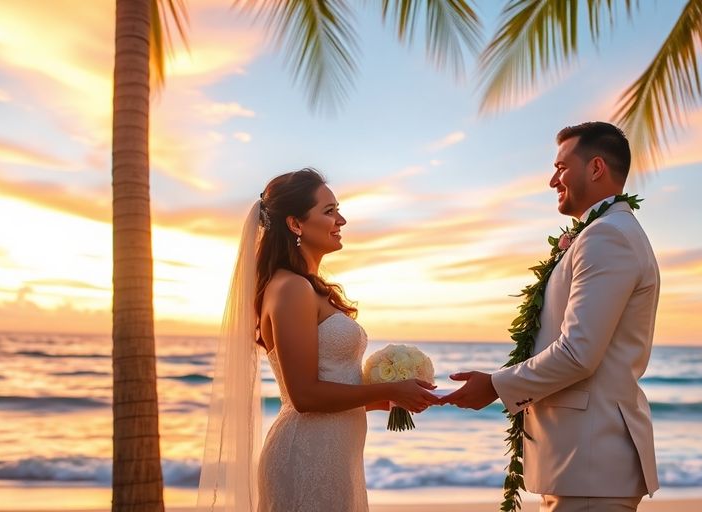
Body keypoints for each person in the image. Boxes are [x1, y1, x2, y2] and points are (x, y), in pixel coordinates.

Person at [443, 122, 661, 511]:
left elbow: (579, 352)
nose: (551, 180)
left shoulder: (606, 236)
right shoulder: (604, 232)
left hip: (590, 460)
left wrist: (494, 385)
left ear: (596, 168)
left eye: (561, 167)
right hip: (582, 460)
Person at [196, 168, 438, 512]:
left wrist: (388, 398)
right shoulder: (291, 288)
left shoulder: (305, 286)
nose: (341, 219)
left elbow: (329, 385)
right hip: (307, 455)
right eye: (329, 211)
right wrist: (387, 389)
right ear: (295, 224)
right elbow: (304, 395)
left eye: (338, 209)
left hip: (336, 456)